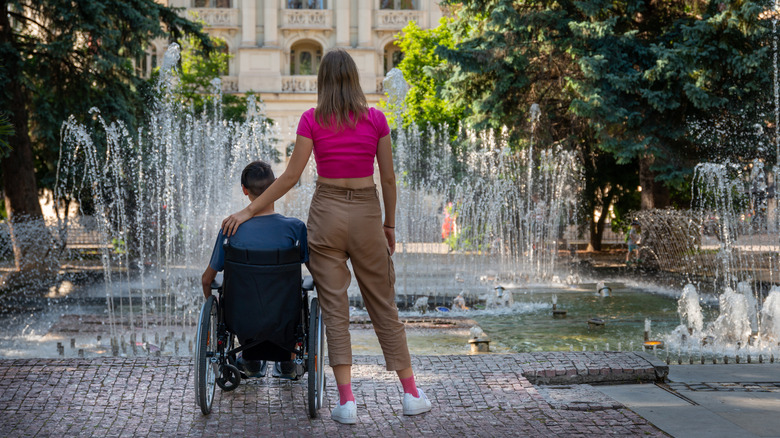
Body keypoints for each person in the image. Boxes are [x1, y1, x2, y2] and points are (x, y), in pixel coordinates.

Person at [221, 49, 432, 424]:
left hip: (327, 213)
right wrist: (389, 225)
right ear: (355, 79)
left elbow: (289, 178)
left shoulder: (311, 119)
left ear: (321, 81)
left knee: (335, 311)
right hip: (367, 213)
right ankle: (412, 394)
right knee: (384, 305)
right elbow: (387, 179)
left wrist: (248, 210)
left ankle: (347, 402)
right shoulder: (376, 119)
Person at [201, 160, 308, 380]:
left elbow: (206, 279)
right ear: (276, 185)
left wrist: (214, 312)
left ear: (244, 190)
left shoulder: (231, 228)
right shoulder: (295, 229)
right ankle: (288, 361)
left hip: (240, 318)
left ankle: (248, 360)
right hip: (285, 316)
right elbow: (315, 271)